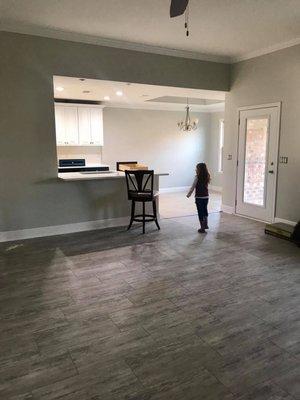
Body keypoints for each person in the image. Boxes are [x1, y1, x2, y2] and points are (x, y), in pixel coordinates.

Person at [187, 163, 211, 233]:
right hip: (206, 197)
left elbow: (193, 186)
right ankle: (206, 224)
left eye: (196, 168)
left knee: (200, 212)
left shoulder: (197, 177)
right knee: (205, 210)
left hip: (199, 197)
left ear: (199, 169)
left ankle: (202, 228)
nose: (195, 169)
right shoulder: (207, 176)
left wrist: (189, 194)